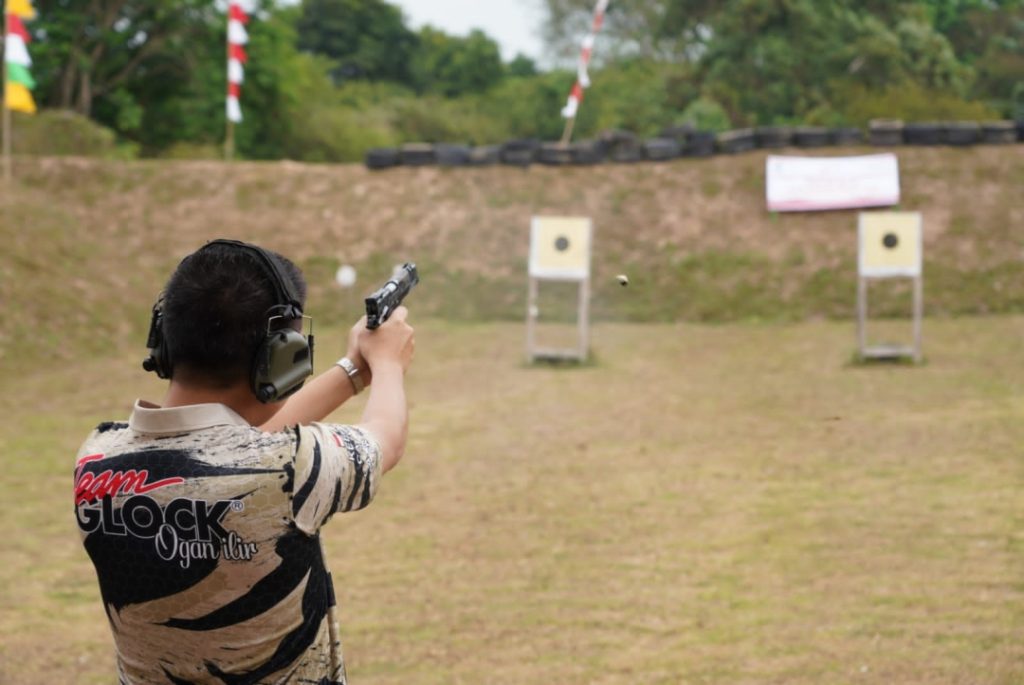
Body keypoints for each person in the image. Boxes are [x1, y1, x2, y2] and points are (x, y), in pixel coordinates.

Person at [73, 239, 415, 685]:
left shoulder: (97, 459)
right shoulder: (290, 467)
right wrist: (387, 363)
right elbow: (386, 438)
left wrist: (354, 370)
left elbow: (235, 450)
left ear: (163, 339)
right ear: (280, 359)